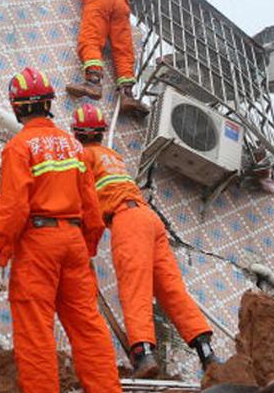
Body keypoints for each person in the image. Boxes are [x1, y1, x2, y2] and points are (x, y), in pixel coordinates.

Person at [0, 67, 125, 393]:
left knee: (35, 330)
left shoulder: (19, 147)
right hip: (74, 241)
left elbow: (15, 206)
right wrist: (87, 248)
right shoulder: (73, 146)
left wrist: (0, 254)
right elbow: (92, 206)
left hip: (38, 242)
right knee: (87, 324)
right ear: (48, 104)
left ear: (17, 108)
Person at [70, 103, 219, 378]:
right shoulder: (112, 155)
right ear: (102, 132)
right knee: (171, 289)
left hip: (126, 221)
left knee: (134, 287)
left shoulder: (82, 158)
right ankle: (207, 353)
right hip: (149, 219)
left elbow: (83, 204)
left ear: (76, 134)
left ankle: (143, 354)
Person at [36, 0, 148, 117]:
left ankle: (93, 82)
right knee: (123, 48)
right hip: (122, 2)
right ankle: (127, 95)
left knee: (91, 38)